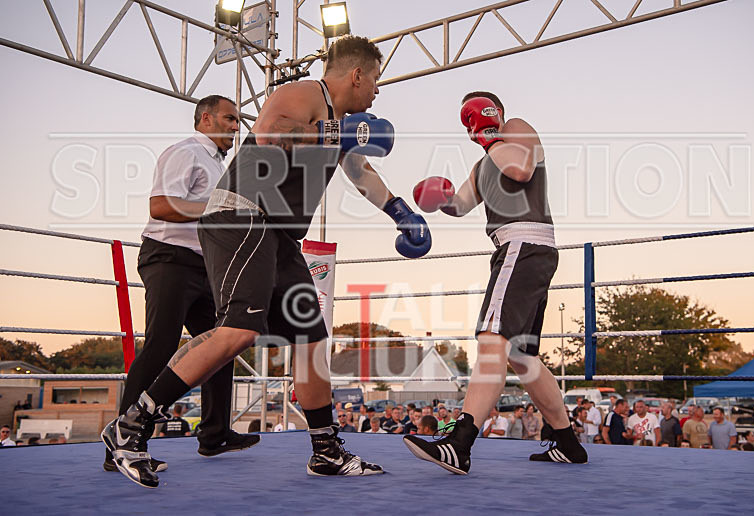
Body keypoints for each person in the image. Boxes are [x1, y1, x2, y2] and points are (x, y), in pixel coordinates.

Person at [102, 35, 431, 487]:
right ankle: (130, 427)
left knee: (312, 338)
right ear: (356, 74)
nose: (376, 90)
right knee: (239, 329)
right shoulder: (301, 93)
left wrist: (401, 212)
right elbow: (276, 136)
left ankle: (325, 449)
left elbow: (360, 172)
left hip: (278, 234)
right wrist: (344, 133)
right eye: (375, 80)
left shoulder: (342, 126)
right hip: (242, 214)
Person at [403, 91, 586, 474]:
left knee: (492, 339)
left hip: (523, 244)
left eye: (478, 115)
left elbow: (520, 169)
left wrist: (491, 134)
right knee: (522, 357)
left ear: (494, 113)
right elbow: (461, 205)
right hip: (518, 250)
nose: (473, 126)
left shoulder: (516, 130)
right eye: (468, 121)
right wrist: (438, 197)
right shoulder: (483, 161)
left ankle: (460, 442)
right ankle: (567, 442)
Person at [103, 94, 255, 475]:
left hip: (205, 265)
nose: (236, 127)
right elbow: (161, 206)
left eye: (238, 121)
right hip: (169, 258)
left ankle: (215, 435)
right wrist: (222, 207)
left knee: (222, 345)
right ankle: (121, 444)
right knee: (161, 346)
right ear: (205, 119)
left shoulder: (219, 164)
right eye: (229, 119)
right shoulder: (186, 151)